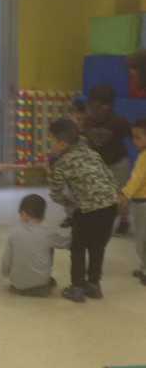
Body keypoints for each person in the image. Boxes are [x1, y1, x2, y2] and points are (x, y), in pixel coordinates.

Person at [48, 118, 118, 303]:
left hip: (87, 210)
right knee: (97, 247)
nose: (51, 146)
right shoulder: (92, 153)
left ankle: (77, 288)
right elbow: (110, 178)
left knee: (78, 247)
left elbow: (55, 193)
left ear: (62, 143)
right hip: (111, 206)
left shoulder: (61, 163)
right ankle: (94, 285)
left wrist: (69, 203)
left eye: (51, 141)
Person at [1, 194, 70, 297]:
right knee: (49, 248)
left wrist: (5, 273)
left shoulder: (13, 232)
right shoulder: (48, 233)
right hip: (41, 285)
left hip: (17, 284)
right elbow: (66, 243)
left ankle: (22, 286)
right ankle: (42, 282)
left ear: (24, 213)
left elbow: (6, 259)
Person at [85, 85, 131, 236]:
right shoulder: (87, 121)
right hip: (99, 164)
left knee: (121, 195)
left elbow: (133, 136)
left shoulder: (119, 122)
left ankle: (124, 221)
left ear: (109, 107)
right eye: (92, 106)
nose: (95, 111)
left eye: (100, 107)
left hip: (118, 163)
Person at [120, 119, 146, 286]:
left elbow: (137, 179)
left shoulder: (144, 157)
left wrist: (125, 194)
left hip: (143, 203)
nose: (134, 141)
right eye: (133, 137)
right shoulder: (142, 155)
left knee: (142, 239)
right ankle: (144, 266)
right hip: (140, 202)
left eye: (138, 137)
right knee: (141, 237)